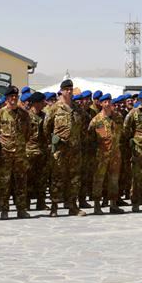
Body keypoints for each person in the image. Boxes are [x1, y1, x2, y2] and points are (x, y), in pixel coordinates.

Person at [44, 79, 87, 216]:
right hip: (60, 150)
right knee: (57, 177)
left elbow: (83, 127)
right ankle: (54, 206)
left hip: (75, 149)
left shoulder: (77, 108)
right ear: (61, 91)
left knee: (74, 178)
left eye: (70, 89)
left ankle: (72, 206)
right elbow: (46, 127)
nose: (69, 91)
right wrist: (53, 141)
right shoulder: (55, 108)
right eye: (66, 89)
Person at [0, 86, 32, 219]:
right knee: (4, 183)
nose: (13, 99)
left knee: (21, 182)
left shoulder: (24, 114)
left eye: (15, 96)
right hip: (5, 154)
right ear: (6, 98)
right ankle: (4, 209)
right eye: (11, 96)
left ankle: (21, 209)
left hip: (20, 154)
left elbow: (28, 133)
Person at [89, 93, 125, 214]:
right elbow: (90, 138)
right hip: (102, 155)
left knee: (114, 179)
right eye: (105, 102)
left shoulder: (118, 117)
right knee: (99, 179)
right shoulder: (96, 120)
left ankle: (113, 204)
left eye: (109, 101)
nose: (108, 104)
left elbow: (123, 133)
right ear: (101, 103)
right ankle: (97, 205)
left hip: (115, 154)